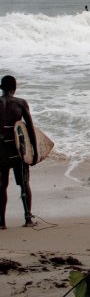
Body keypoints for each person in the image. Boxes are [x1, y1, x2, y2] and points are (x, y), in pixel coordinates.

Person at [0, 75, 37, 228]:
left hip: (1, 151)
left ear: (1, 88)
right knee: (24, 184)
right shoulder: (20, 103)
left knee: (1, 186)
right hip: (17, 151)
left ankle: (1, 222)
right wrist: (34, 152)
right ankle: (28, 218)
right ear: (14, 88)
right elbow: (30, 129)